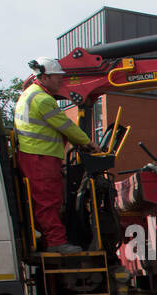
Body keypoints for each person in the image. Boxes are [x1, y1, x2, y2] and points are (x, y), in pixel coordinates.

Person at [12, 76, 97, 254]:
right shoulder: (42, 99)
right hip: (41, 157)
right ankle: (56, 242)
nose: (61, 82)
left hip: (35, 156)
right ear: (45, 77)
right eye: (58, 78)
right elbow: (66, 126)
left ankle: (51, 240)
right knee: (48, 202)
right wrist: (88, 143)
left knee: (44, 201)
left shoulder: (28, 96)